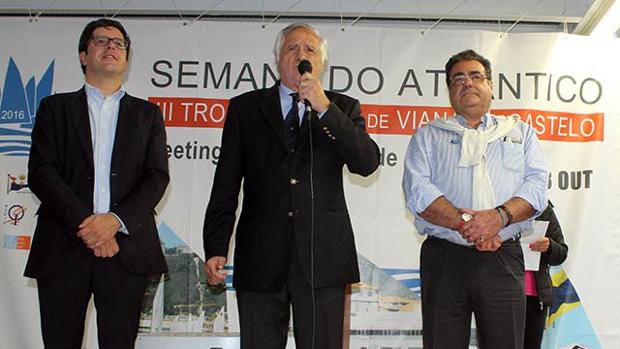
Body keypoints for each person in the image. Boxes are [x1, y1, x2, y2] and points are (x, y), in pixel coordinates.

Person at [203, 23, 380, 349]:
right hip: (260, 256)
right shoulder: (246, 108)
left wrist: (324, 108)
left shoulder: (342, 107)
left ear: (322, 63)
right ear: (277, 59)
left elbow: (366, 163)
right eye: (292, 48)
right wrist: (215, 245)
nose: (301, 55)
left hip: (323, 259)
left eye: (309, 50)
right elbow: (226, 182)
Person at [24, 18, 169, 349]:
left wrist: (113, 222)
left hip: (125, 250)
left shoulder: (148, 115)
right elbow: (42, 172)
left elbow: (157, 176)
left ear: (127, 59)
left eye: (119, 44)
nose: (111, 48)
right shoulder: (54, 108)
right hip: (63, 246)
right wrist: (88, 225)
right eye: (102, 41)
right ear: (83, 55)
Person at [402, 49, 548, 348]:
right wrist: (469, 223)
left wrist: (498, 218)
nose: (467, 83)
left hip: (503, 258)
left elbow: (537, 188)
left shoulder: (522, 133)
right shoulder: (428, 136)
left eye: (475, 76)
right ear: (450, 91)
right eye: (458, 79)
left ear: (491, 86)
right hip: (444, 259)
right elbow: (418, 191)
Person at [525, 201, 569, 349]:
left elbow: (561, 253)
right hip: (499, 294)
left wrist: (549, 246)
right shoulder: (495, 202)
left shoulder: (542, 207)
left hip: (533, 296)